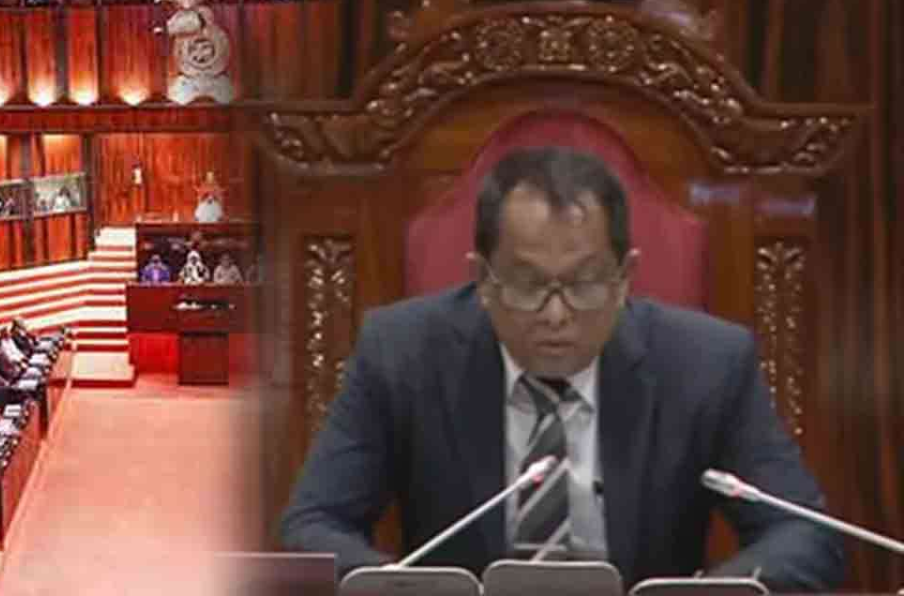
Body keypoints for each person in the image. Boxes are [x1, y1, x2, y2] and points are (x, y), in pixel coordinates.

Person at [279, 147, 844, 592]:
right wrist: (402, 589)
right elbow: (313, 526)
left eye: (585, 283)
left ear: (625, 278)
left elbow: (804, 534)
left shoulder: (707, 364)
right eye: (527, 285)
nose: (556, 315)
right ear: (482, 279)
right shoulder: (403, 354)